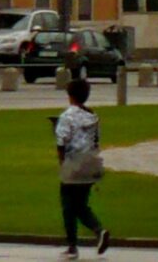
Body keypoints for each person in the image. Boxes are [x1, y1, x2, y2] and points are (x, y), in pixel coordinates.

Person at [53, 76, 111, 256]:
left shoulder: (67, 116)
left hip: (74, 162)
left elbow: (61, 142)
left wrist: (62, 164)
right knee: (80, 204)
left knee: (68, 205)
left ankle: (75, 243)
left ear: (70, 95)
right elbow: (96, 140)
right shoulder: (92, 116)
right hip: (91, 162)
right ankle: (98, 231)